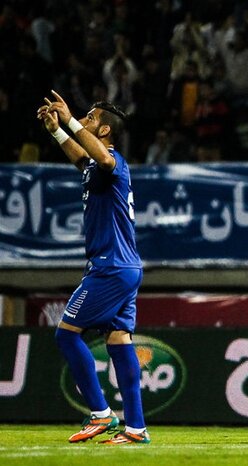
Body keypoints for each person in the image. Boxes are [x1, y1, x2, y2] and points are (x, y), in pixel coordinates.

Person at [36, 91, 149, 445]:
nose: (83, 120)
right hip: (125, 266)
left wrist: (70, 120)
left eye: (90, 118)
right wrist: (57, 131)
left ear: (104, 130)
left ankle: (101, 413)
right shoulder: (97, 168)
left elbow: (100, 157)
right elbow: (82, 158)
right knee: (118, 340)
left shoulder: (113, 161)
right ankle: (136, 429)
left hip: (110, 266)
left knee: (66, 334)